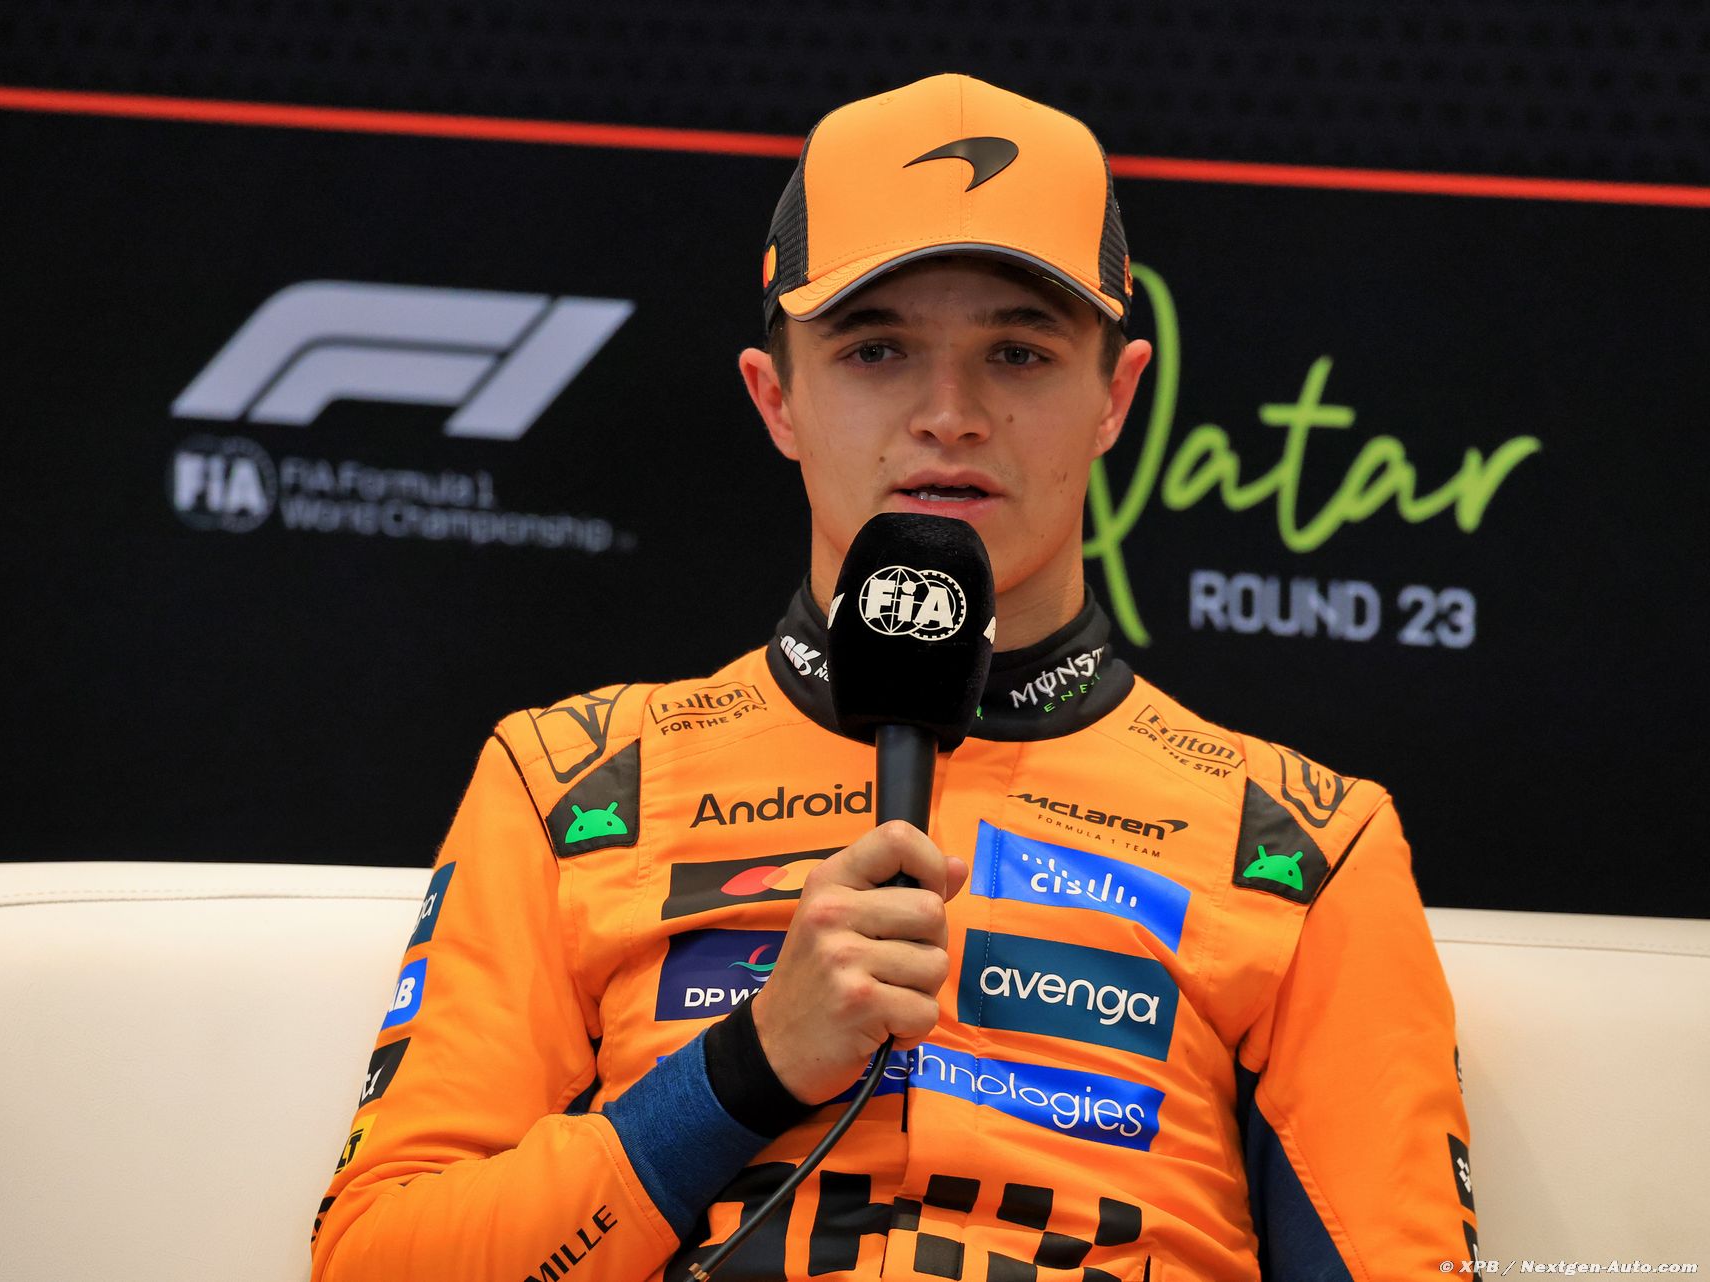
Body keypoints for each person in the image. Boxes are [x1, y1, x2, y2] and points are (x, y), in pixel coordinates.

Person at [309, 73, 1476, 1281]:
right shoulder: (573, 784)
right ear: (778, 399)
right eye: (877, 349)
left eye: (1018, 352)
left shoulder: (1303, 846)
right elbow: (378, 1262)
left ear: (1115, 396)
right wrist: (751, 1065)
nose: (949, 414)